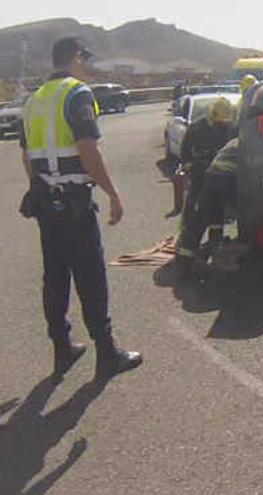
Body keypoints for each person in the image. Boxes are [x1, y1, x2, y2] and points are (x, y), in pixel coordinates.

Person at [18, 37, 142, 379]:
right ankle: (106, 354)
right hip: (74, 202)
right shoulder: (76, 93)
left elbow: (27, 156)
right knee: (91, 276)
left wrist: (40, 188)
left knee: (55, 276)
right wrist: (113, 193)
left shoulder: (32, 100)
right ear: (73, 58)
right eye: (83, 59)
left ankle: (62, 349)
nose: (84, 65)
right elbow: (88, 148)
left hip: (46, 204)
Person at [175, 138, 241, 276]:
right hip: (229, 179)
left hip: (211, 177)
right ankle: (218, 249)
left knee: (204, 216)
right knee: (223, 213)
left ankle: (185, 262)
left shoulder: (232, 142)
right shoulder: (252, 142)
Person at [170, 98, 236, 221]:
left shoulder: (229, 128)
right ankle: (188, 233)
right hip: (199, 173)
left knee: (217, 209)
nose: (221, 124)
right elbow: (185, 149)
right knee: (194, 208)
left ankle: (216, 234)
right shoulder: (196, 128)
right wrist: (188, 164)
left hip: (219, 174)